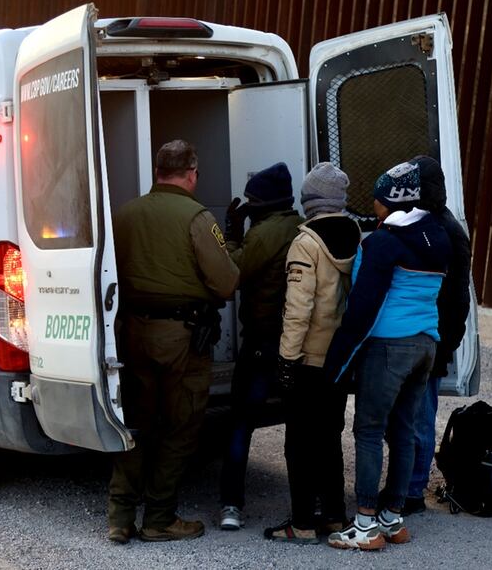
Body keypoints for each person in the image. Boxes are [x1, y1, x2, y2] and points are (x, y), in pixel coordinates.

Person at [107, 139, 240, 544]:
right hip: (181, 339)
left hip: (130, 333)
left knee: (135, 425)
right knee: (180, 427)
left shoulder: (124, 214)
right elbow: (226, 281)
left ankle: (120, 517)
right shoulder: (197, 217)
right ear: (192, 173)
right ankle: (160, 518)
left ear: (157, 172)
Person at [322, 161, 451, 550]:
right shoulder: (438, 237)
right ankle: (392, 519)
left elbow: (363, 306)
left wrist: (337, 360)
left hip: (388, 347)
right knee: (404, 432)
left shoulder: (381, 242)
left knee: (369, 431)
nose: (373, 206)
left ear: (387, 201)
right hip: (426, 344)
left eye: (376, 199)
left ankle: (364, 526)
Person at [263, 162, 361, 544]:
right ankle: (335, 515)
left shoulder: (306, 243)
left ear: (310, 201)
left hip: (309, 359)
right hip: (339, 358)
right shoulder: (355, 234)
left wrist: (286, 360)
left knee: (299, 443)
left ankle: (302, 523)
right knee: (330, 437)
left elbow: (298, 309)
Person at [216, 162, 304, 530]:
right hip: (296, 343)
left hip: (262, 342)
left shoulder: (265, 233)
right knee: (299, 426)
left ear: (264, 205)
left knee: (240, 424)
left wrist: (231, 233)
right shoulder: (300, 227)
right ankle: (307, 504)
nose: (248, 206)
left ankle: (231, 505)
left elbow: (232, 271)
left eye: (252, 201)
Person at [396, 154, 473, 514]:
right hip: (436, 337)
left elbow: (456, 298)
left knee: (416, 417)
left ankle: (410, 490)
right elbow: (460, 298)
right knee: (418, 416)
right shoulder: (449, 228)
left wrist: (448, 341)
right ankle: (409, 487)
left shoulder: (426, 228)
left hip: (427, 335)